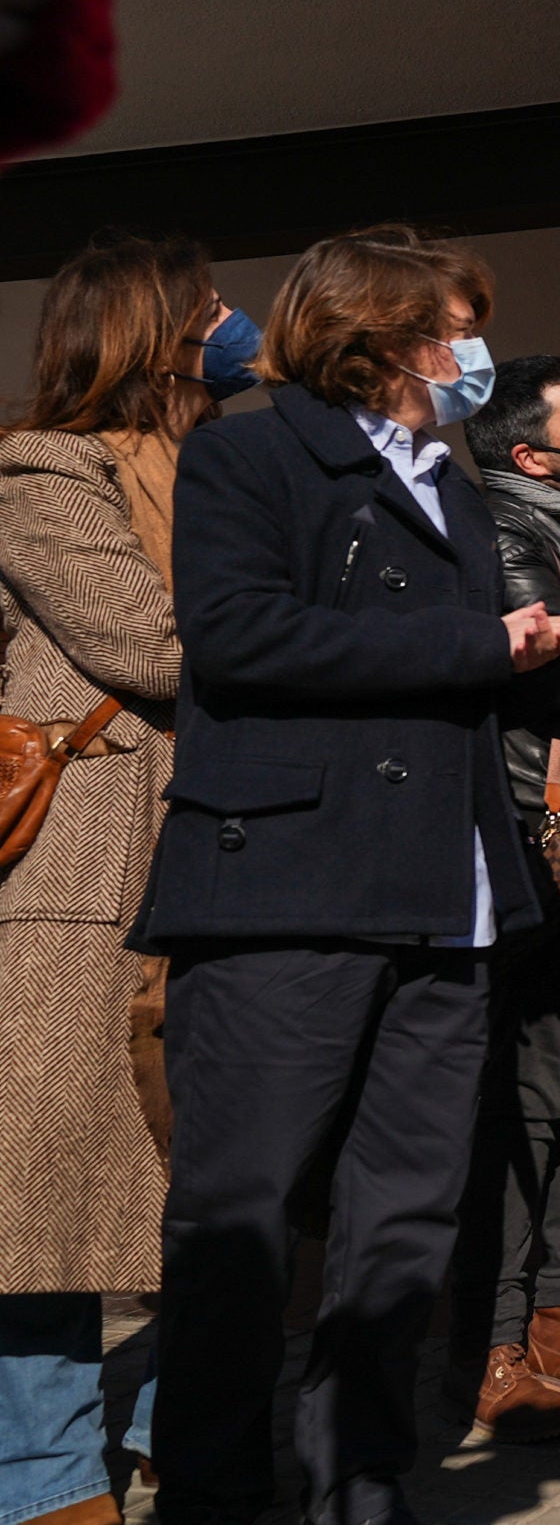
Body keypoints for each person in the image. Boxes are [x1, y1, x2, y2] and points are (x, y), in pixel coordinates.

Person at [137, 225, 560, 1525]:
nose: (471, 351)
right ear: (389, 332)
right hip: (289, 883)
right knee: (243, 1215)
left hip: (447, 901)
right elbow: (236, 638)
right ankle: (219, 1491)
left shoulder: (452, 482)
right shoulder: (251, 450)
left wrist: (554, 651)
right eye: (457, 324)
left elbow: (473, 664)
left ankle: (362, 1477)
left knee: (402, 1221)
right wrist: (471, 639)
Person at [0, 236, 216, 1525]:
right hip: (75, 867)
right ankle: (42, 1479)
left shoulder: (217, 470)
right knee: (49, 1190)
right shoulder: (40, 470)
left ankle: (147, 1427)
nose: (229, 334)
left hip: (200, 855)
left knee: (204, 1179)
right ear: (147, 335)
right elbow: (146, 643)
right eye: (205, 317)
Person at [443, 355, 560, 1442]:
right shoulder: (512, 534)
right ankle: (493, 1346)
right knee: (516, 1100)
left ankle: (554, 1329)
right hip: (526, 835)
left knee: (558, 1093)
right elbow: (553, 680)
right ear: (530, 454)